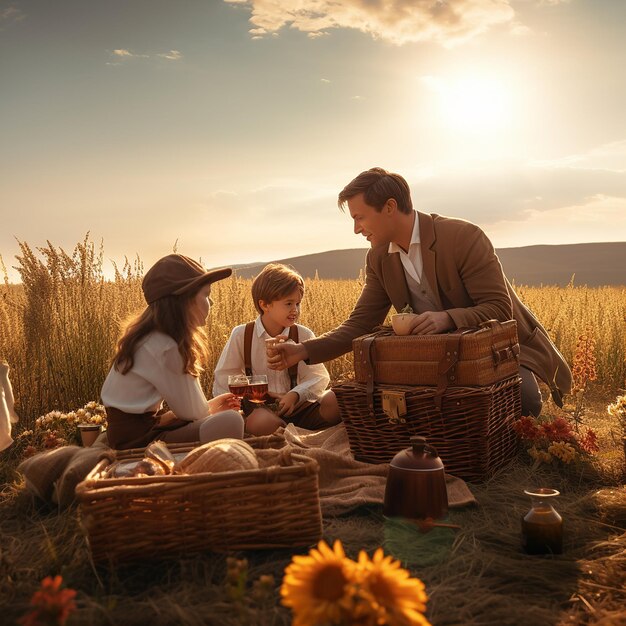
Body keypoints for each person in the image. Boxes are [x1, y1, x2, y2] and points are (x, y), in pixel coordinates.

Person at [267, 167, 572, 417]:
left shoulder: (464, 236)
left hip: (494, 350)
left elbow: (498, 309)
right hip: (432, 359)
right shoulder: (377, 259)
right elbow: (360, 324)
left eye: (360, 217)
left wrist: (447, 319)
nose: (357, 229)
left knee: (525, 403)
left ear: (389, 207)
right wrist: (303, 351)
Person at [101, 254, 244, 449]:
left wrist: (211, 406)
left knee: (227, 419)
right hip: (139, 441)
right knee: (231, 421)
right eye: (206, 295)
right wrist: (214, 408)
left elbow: (189, 411)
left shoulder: (150, 338)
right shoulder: (165, 347)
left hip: (133, 433)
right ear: (185, 300)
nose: (211, 303)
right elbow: (193, 413)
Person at [213, 263, 340, 435]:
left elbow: (319, 377)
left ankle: (288, 434)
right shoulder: (242, 334)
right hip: (260, 411)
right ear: (265, 305)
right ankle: (295, 435)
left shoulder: (302, 333)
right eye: (288, 303)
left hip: (299, 408)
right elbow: (224, 377)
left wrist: (295, 395)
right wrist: (251, 396)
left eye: (298, 303)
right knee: (261, 422)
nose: (295, 310)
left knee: (337, 400)